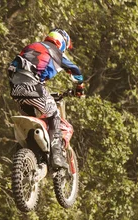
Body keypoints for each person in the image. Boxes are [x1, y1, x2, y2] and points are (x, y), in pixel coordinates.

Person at [8, 28, 84, 169]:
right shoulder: (56, 52)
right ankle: (56, 157)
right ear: (62, 43)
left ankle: (30, 154)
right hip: (33, 88)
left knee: (32, 121)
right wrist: (80, 87)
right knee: (54, 115)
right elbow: (76, 71)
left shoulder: (31, 47)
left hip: (15, 89)